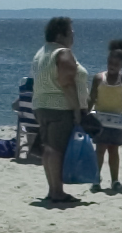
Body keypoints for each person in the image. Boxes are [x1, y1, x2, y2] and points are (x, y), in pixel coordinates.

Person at [30, 16, 85, 204]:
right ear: (61, 35)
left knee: (48, 149)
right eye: (71, 33)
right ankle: (57, 191)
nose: (73, 37)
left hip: (41, 105)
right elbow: (66, 83)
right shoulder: (63, 53)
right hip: (59, 107)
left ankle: (53, 188)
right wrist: (77, 109)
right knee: (56, 149)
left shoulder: (41, 53)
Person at [87, 38, 122, 194]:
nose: (112, 66)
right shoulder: (99, 78)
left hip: (117, 122)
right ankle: (95, 179)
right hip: (100, 120)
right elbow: (92, 98)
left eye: (116, 63)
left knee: (114, 151)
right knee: (100, 150)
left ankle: (115, 180)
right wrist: (85, 114)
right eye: (110, 62)